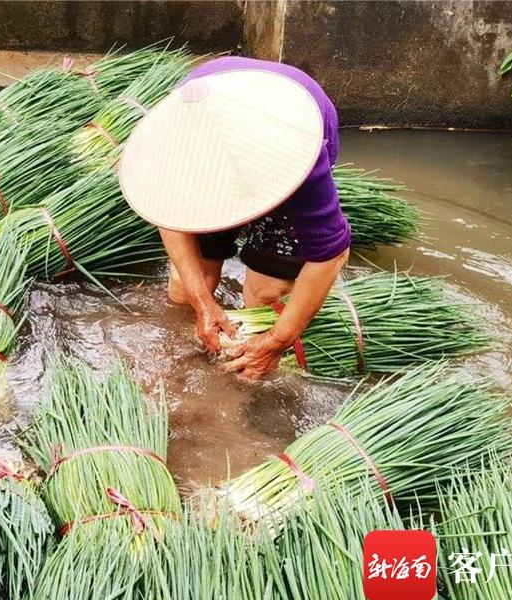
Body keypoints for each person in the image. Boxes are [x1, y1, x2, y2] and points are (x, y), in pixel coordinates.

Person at [119, 57, 350, 381]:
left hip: (282, 146)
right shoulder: (175, 148)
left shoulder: (300, 158)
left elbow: (332, 254)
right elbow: (169, 217)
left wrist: (277, 340)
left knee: (266, 293)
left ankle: (252, 366)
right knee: (184, 289)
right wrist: (202, 303)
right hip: (214, 123)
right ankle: (200, 350)